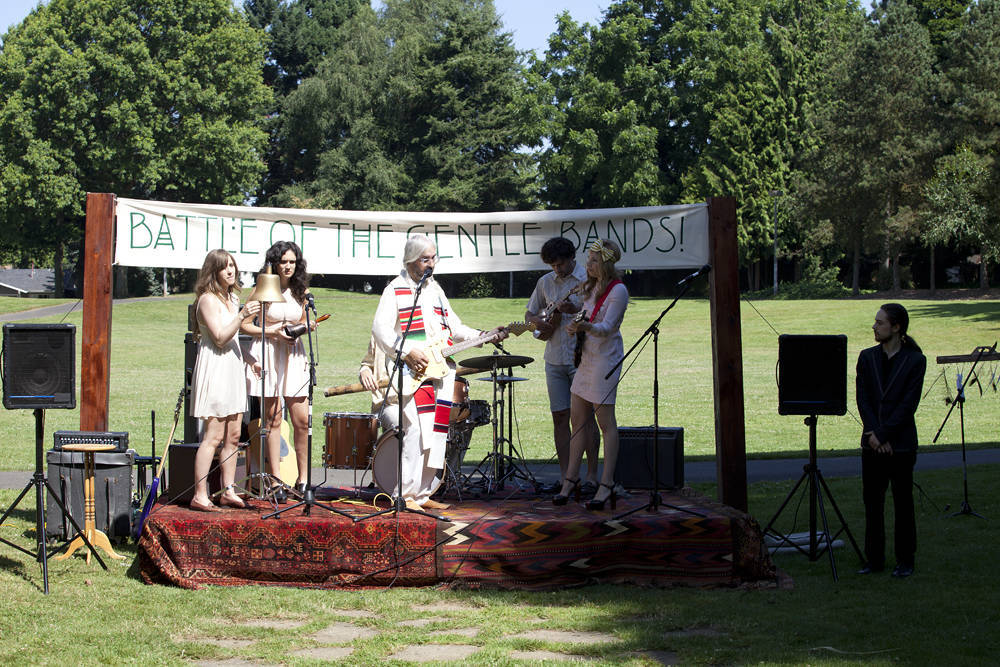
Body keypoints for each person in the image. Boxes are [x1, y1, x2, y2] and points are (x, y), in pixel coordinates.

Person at [371, 234, 507, 511]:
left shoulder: (436, 290)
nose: (431, 264)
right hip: (412, 371)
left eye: (434, 258)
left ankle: (423, 493)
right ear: (411, 261)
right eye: (425, 259)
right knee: (415, 431)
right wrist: (407, 349)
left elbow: (454, 328)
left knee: (436, 432)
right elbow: (380, 329)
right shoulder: (395, 289)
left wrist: (484, 335)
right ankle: (405, 494)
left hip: (441, 371)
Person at [556, 239, 629, 510]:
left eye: (594, 260)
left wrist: (585, 326)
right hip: (587, 359)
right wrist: (577, 324)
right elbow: (587, 317)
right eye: (588, 259)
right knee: (578, 419)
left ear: (606, 263)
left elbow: (608, 327)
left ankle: (606, 482)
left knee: (606, 423)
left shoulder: (618, 291)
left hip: (605, 360)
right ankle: (571, 478)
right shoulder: (592, 287)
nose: (589, 265)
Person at [856, 303, 926, 578]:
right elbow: (863, 398)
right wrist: (874, 434)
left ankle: (905, 560)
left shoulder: (915, 360)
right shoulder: (867, 357)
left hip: (901, 444)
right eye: (875, 322)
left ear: (896, 327)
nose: (874, 326)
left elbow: (909, 404)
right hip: (872, 443)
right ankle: (874, 560)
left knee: (902, 503)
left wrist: (885, 435)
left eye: (880, 322)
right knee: (872, 504)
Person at [525, 236, 599, 494]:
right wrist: (539, 322)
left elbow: (598, 315)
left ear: (571, 258)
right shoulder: (544, 282)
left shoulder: (588, 279)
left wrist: (574, 307)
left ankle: (591, 476)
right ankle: (567, 476)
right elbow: (530, 313)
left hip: (582, 357)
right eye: (552, 265)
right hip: (554, 358)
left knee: (586, 417)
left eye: (560, 264)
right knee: (560, 417)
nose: (556, 269)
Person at [188, 249, 260, 512]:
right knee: (214, 435)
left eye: (232, 266)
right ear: (213, 271)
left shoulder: (231, 297)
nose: (230, 270)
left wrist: (250, 360)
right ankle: (200, 493)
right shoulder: (207, 300)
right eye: (224, 267)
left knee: (233, 434)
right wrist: (241, 316)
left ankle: (228, 489)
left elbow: (233, 338)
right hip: (216, 367)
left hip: (232, 367)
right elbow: (219, 337)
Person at [242, 240, 314, 500]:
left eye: (292, 262)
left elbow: (306, 319)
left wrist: (304, 327)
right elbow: (244, 324)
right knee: (272, 419)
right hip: (269, 351)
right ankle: (275, 481)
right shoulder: (263, 288)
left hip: (293, 353)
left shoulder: (301, 290)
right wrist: (273, 331)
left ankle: (303, 480)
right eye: (283, 261)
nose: (288, 266)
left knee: (302, 420)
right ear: (274, 263)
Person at [359, 333, 399, 431]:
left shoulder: (418, 331)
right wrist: (364, 371)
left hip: (416, 403)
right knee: (397, 419)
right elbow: (367, 363)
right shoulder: (379, 333)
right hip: (387, 405)